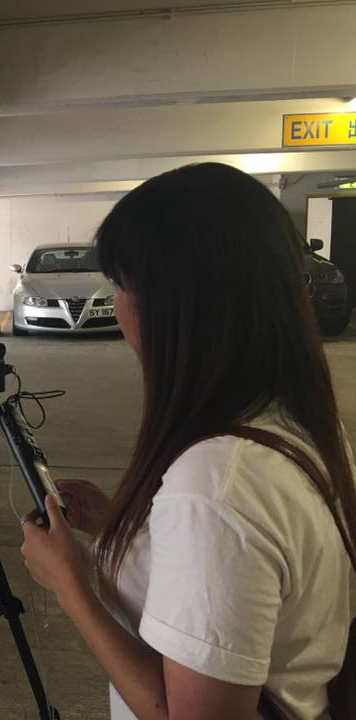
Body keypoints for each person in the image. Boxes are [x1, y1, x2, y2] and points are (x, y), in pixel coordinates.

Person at [19, 163, 356, 720]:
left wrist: (69, 583)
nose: (118, 305)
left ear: (170, 304)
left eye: (121, 285)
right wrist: (125, 532)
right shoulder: (294, 423)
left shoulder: (218, 482)